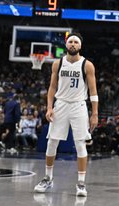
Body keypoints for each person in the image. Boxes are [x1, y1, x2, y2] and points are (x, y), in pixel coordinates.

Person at [34, 33, 98, 197]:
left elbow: (93, 92)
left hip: (79, 106)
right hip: (60, 104)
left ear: (80, 46)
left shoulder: (87, 65)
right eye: (70, 42)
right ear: (66, 44)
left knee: (80, 144)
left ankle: (81, 183)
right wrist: (49, 107)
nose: (73, 44)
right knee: (52, 142)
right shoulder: (58, 63)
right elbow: (52, 88)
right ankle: (48, 178)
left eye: (76, 42)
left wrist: (95, 114)